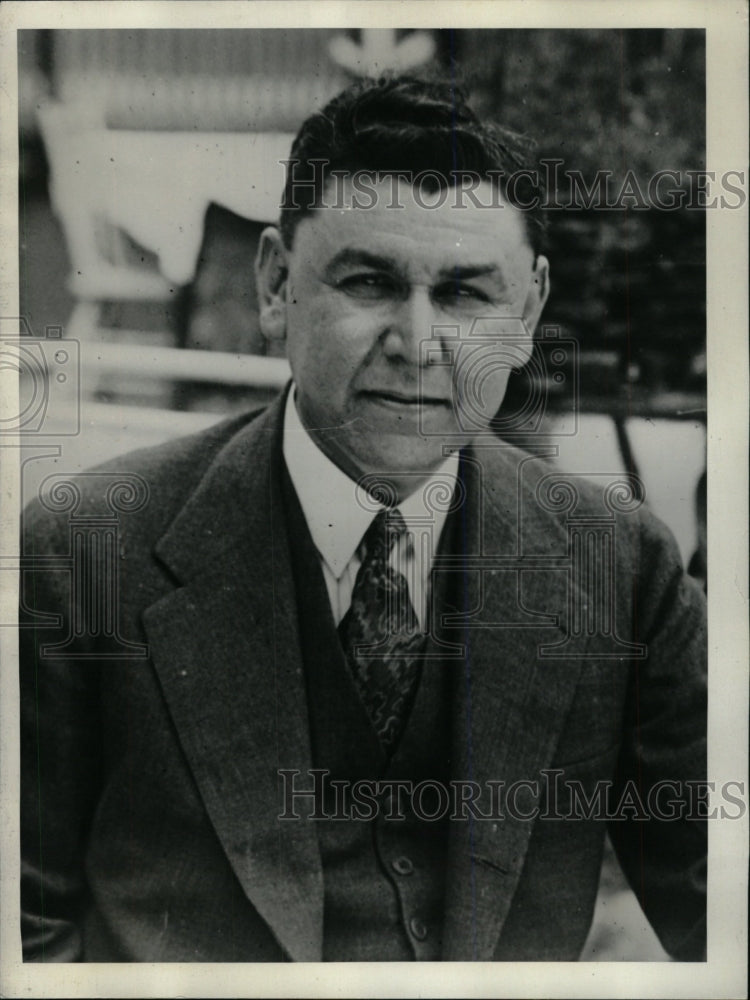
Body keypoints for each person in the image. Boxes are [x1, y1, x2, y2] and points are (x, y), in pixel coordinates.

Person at [20, 75, 706, 963]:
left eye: (465, 294)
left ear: (529, 312)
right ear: (275, 286)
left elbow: (718, 903)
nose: (418, 343)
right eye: (369, 281)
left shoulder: (624, 567)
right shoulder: (84, 552)